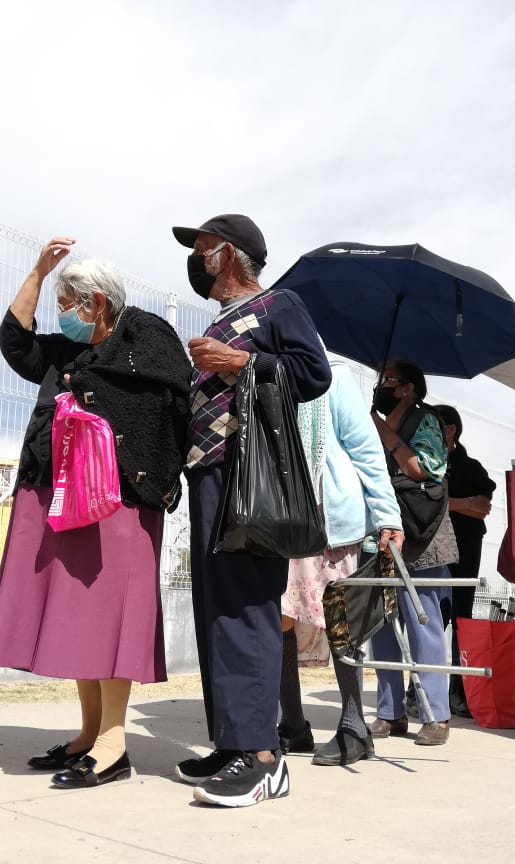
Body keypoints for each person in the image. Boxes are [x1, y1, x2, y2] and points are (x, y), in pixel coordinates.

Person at [0, 239, 192, 790]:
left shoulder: (146, 343)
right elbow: (15, 342)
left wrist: (91, 408)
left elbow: (162, 409)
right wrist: (37, 271)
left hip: (119, 497)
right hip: (60, 491)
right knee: (78, 613)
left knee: (109, 616)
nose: (61, 316)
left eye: (66, 304)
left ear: (96, 303)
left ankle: (114, 745)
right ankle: (89, 733)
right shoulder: (65, 354)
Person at [171, 214, 330, 807]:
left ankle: (264, 758)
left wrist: (239, 363)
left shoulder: (278, 304)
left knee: (246, 606)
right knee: (216, 610)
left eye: (202, 247)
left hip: (249, 476)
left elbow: (313, 374)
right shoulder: (221, 320)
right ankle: (233, 742)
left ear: (230, 253)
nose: (196, 258)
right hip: (209, 473)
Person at [278, 353, 404, 767]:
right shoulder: (267, 372)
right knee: (280, 617)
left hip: (331, 519)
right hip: (282, 516)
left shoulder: (334, 377)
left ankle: (354, 727)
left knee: (342, 621)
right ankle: (292, 724)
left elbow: (366, 449)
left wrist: (387, 516)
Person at [368, 359, 457, 747]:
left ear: (407, 388)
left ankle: (436, 714)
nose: (381, 386)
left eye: (388, 380)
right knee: (381, 624)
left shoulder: (427, 420)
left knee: (423, 622)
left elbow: (425, 468)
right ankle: (390, 712)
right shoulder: (371, 422)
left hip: (422, 534)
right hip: (379, 532)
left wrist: (385, 434)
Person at [434, 404, 494, 718]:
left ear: (450, 430)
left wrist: (443, 502)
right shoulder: (419, 463)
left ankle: (459, 691)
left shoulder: (470, 467)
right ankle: (420, 689)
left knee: (461, 618)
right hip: (428, 551)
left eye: (432, 424)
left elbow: (483, 507)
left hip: (465, 548)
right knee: (431, 618)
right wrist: (464, 504)